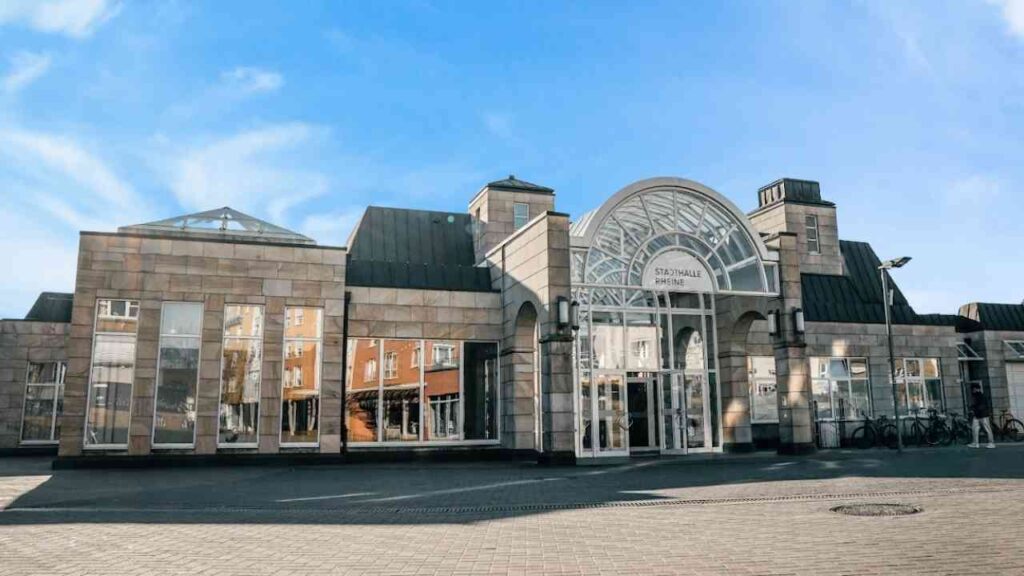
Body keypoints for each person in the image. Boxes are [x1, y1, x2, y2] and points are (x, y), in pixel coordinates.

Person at [968, 384, 996, 449]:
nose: (973, 390)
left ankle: (990, 443)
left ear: (976, 389)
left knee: (984, 428)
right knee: (976, 428)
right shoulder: (978, 396)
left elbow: (981, 405)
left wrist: (974, 409)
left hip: (982, 415)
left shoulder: (980, 396)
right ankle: (976, 443)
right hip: (980, 415)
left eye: (973, 389)